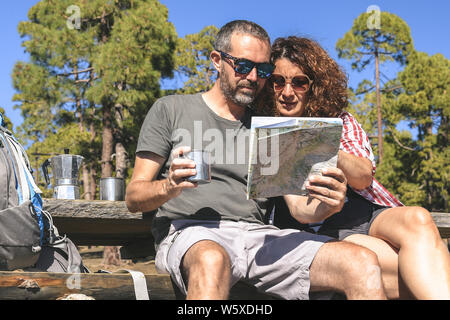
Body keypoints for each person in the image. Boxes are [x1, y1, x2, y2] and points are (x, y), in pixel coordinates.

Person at [125, 20, 388, 300]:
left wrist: (329, 207)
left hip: (259, 237)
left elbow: (300, 210)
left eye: (262, 70)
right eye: (242, 66)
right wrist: (169, 186)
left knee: (361, 262)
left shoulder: (271, 127)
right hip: (191, 233)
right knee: (212, 260)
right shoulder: (172, 109)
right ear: (217, 60)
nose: (252, 77)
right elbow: (133, 196)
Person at [260, 35, 450, 300]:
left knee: (418, 218)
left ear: (314, 86)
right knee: (414, 267)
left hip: (366, 214)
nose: (288, 92)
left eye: (299, 82)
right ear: (269, 84)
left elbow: (362, 178)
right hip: (322, 231)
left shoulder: (339, 120)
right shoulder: (269, 133)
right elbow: (299, 211)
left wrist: (319, 141)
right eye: (278, 81)